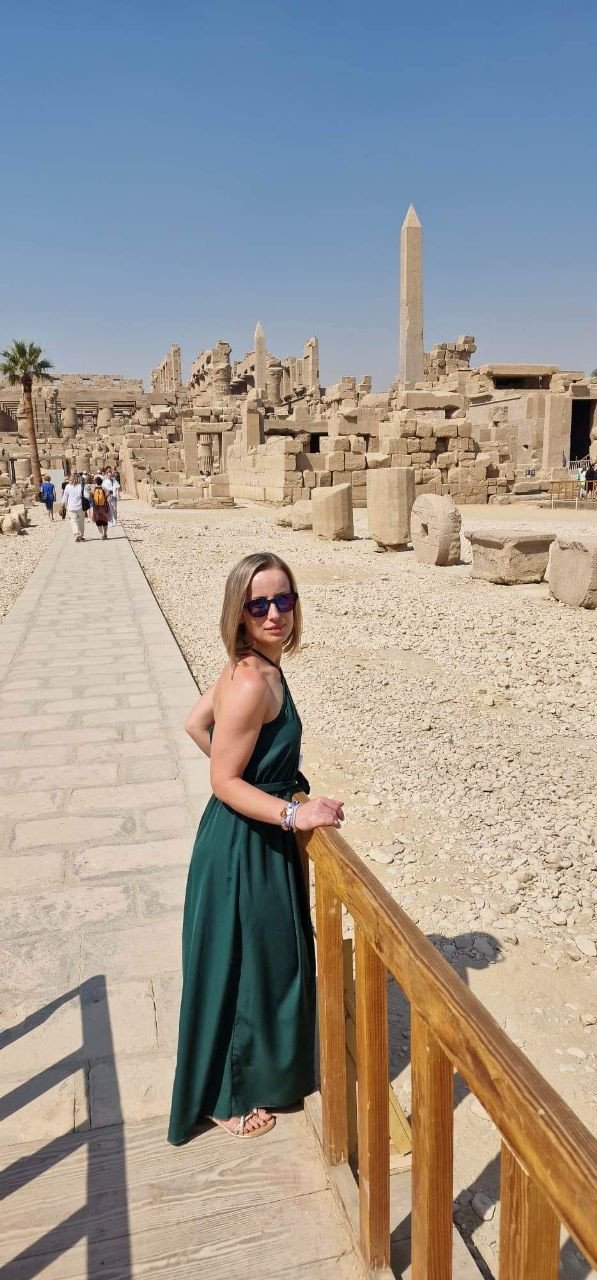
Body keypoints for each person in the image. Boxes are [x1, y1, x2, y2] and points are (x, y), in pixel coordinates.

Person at [168, 552, 344, 1143]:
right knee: (243, 969)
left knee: (253, 962)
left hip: (241, 834)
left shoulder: (252, 666)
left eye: (284, 599)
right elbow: (223, 780)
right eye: (259, 604)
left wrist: (260, 778)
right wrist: (290, 810)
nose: (275, 614)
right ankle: (227, 1098)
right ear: (239, 613)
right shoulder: (250, 680)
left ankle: (251, 1076)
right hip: (243, 846)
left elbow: (196, 724)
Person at [61, 471, 90, 542]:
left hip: (71, 507)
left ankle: (77, 534)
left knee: (73, 521)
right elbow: (87, 496)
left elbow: (65, 497)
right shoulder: (81, 486)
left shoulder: (68, 486)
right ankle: (81, 535)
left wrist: (63, 504)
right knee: (81, 521)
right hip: (80, 506)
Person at [91, 474, 110, 540]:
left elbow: (91, 496)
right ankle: (105, 533)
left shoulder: (93, 489)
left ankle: (101, 534)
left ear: (95, 482)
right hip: (104, 507)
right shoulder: (104, 488)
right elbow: (107, 495)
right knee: (105, 521)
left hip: (96, 508)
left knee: (98, 521)